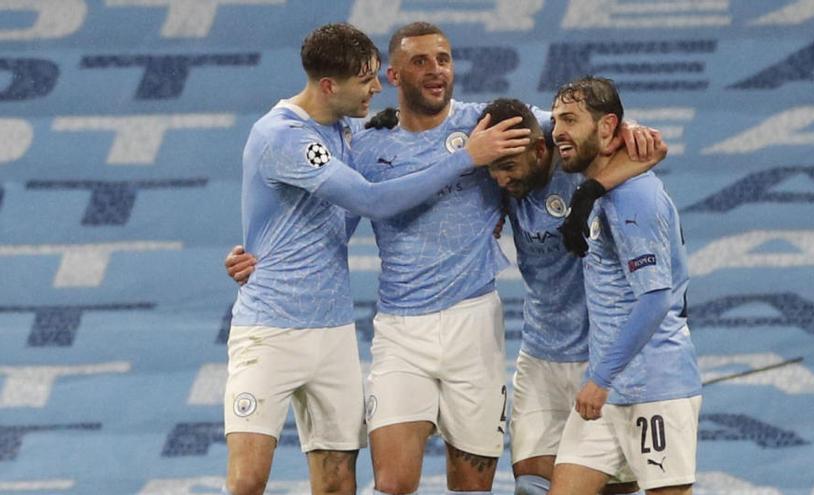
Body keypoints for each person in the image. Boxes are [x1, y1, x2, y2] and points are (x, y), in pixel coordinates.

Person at [226, 21, 659, 495]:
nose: (436, 71)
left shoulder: (487, 125)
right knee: (392, 482)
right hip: (399, 327)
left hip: (472, 324)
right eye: (420, 62)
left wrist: (629, 127)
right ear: (393, 77)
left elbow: (568, 124)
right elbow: (342, 210)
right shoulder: (364, 140)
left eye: (444, 59)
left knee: (473, 486)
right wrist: (263, 254)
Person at [223, 22, 531, 495]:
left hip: (343, 332)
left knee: (341, 482)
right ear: (333, 85)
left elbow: (331, 223)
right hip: (286, 326)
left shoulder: (349, 133)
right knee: (258, 481)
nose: (374, 88)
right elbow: (370, 201)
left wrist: (625, 130)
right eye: (368, 79)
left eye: (443, 59)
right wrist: (466, 158)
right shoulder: (299, 136)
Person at [478, 98, 669, 495]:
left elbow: (652, 151)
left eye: (509, 169)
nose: (501, 181)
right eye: (493, 171)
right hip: (541, 353)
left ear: (541, 149)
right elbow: (464, 116)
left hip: (601, 355)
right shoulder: (507, 151)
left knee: (613, 488)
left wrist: (592, 187)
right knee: (531, 486)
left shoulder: (577, 159)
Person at [547, 76, 702, 495]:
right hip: (608, 393)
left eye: (570, 120)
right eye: (556, 118)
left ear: (606, 126)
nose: (558, 130)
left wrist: (600, 378)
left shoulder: (635, 198)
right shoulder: (601, 193)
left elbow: (655, 300)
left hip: (653, 386)